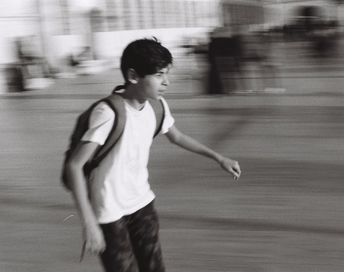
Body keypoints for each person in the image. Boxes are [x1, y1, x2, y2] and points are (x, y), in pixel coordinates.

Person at [65, 38, 241, 272]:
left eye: (166, 74)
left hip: (142, 203)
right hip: (108, 211)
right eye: (159, 75)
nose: (166, 82)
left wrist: (219, 157)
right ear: (133, 76)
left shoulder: (158, 107)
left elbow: (177, 136)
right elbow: (75, 166)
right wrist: (89, 224)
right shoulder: (108, 113)